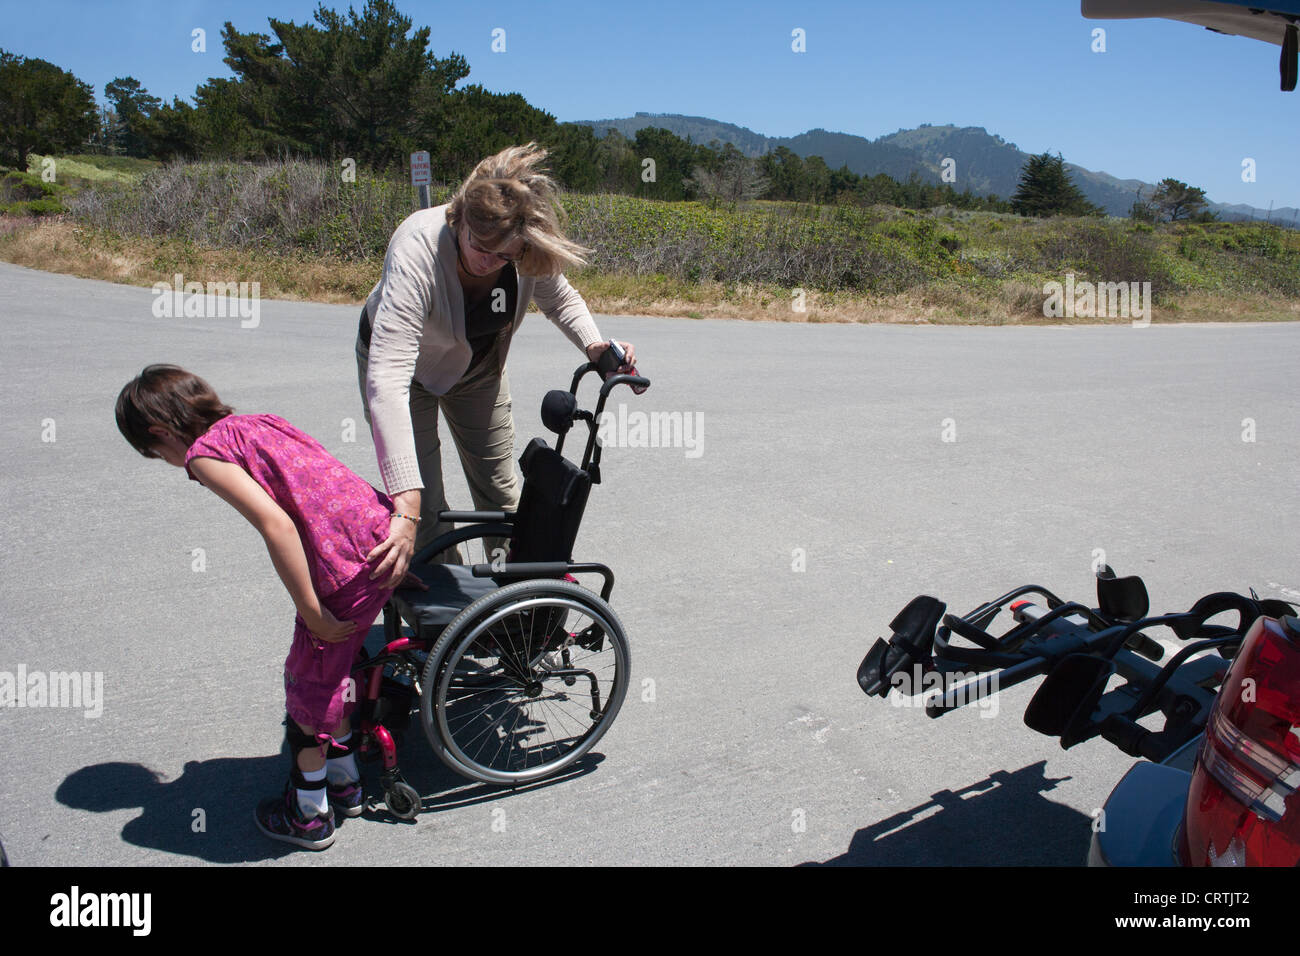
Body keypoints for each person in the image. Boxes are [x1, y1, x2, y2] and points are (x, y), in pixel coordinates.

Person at [115, 364, 424, 850]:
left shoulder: (203, 455)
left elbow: (277, 526)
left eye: (156, 453)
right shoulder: (258, 422)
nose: (167, 462)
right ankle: (345, 783)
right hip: (380, 537)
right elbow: (326, 477)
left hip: (344, 570)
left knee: (308, 687)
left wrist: (313, 609)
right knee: (334, 671)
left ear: (160, 432)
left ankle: (309, 814)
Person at [356, 141, 636, 587]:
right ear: (461, 216)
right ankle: (447, 606)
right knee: (423, 503)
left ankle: (512, 602)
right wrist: (404, 502)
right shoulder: (418, 247)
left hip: (478, 369)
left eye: (505, 255)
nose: (489, 262)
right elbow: (386, 379)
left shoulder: (521, 246)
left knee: (501, 495)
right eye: (478, 247)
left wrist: (596, 347)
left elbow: (559, 297)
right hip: (405, 373)